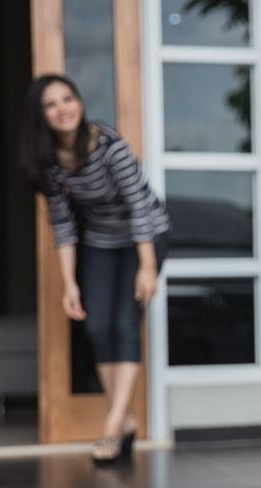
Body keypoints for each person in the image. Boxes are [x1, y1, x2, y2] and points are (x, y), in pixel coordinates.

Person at [20, 75, 171, 465]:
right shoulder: (50, 162)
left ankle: (113, 424)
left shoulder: (108, 146)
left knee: (125, 325)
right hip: (102, 242)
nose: (62, 109)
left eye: (68, 98)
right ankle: (125, 419)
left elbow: (139, 205)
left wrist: (148, 266)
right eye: (51, 104)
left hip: (145, 237)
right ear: (41, 116)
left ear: (80, 101)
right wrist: (69, 283)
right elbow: (64, 225)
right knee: (96, 326)